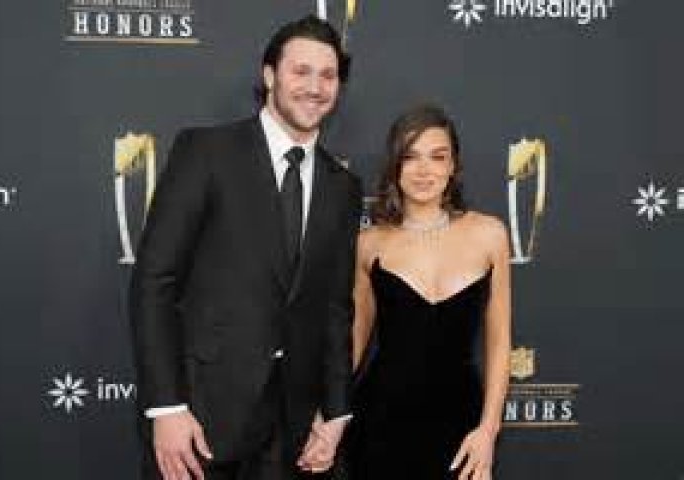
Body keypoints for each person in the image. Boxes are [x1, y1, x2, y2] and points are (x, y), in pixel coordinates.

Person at [129, 15, 362, 480]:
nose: (315, 88)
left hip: (293, 430)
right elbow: (154, 281)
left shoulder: (343, 187)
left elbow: (336, 309)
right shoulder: (206, 152)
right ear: (270, 75)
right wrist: (167, 407)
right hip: (198, 419)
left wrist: (336, 412)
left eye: (328, 75)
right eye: (301, 71)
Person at [346, 105, 511, 480]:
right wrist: (325, 413)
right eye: (411, 157)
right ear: (395, 166)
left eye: (438, 157)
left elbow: (500, 342)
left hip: (463, 425)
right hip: (380, 424)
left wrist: (488, 430)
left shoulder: (490, 234)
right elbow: (353, 342)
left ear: (453, 166)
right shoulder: (369, 243)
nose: (424, 170)